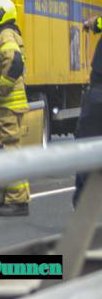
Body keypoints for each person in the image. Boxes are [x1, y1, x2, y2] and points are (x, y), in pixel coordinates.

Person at [0, 0, 30, 216]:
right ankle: (9, 199)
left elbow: (14, 62)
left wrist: (0, 90)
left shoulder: (5, 35)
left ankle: (18, 201)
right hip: (9, 104)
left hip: (7, 103)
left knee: (11, 150)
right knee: (8, 150)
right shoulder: (7, 34)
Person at [74, 15, 102, 207]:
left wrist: (89, 23)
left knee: (86, 144)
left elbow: (96, 23)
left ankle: (84, 202)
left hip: (99, 93)